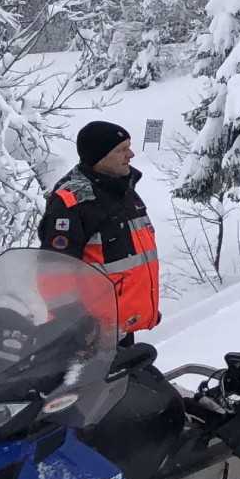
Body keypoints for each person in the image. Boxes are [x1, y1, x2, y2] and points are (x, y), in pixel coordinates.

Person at [38, 121, 161, 338]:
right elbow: (53, 271)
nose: (131, 155)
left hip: (119, 327)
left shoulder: (123, 192)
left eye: (129, 147)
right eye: (121, 150)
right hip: (87, 334)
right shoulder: (73, 202)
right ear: (99, 157)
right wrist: (76, 325)